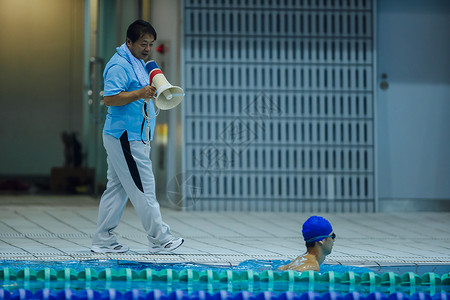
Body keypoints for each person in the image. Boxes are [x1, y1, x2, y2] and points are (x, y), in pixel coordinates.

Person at [91, 20, 183, 253]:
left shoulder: (140, 64)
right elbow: (110, 99)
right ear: (129, 42)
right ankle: (160, 239)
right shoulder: (119, 66)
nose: (147, 49)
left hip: (132, 136)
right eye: (143, 44)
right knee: (144, 188)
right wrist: (140, 93)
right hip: (126, 137)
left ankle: (103, 240)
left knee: (117, 189)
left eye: (151, 44)